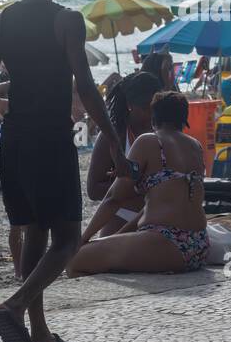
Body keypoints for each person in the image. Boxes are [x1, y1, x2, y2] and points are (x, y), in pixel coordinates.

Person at [0, 0, 126, 342]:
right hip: (51, 139)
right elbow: (87, 89)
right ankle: (14, 306)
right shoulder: (65, 20)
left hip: (14, 140)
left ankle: (40, 335)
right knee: (68, 239)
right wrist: (113, 140)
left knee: (34, 233)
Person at [71, 92, 208, 276]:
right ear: (184, 120)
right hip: (200, 244)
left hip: (168, 243)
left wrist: (83, 239)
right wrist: (119, 235)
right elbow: (155, 206)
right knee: (106, 249)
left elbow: (113, 198)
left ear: (154, 118)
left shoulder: (149, 141)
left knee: (75, 259)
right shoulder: (195, 146)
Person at [84, 71, 161, 238]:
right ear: (130, 105)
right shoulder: (113, 135)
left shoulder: (165, 128)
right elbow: (93, 189)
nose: (152, 114)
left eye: (155, 108)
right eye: (146, 108)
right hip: (123, 214)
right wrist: (137, 187)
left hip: (160, 216)